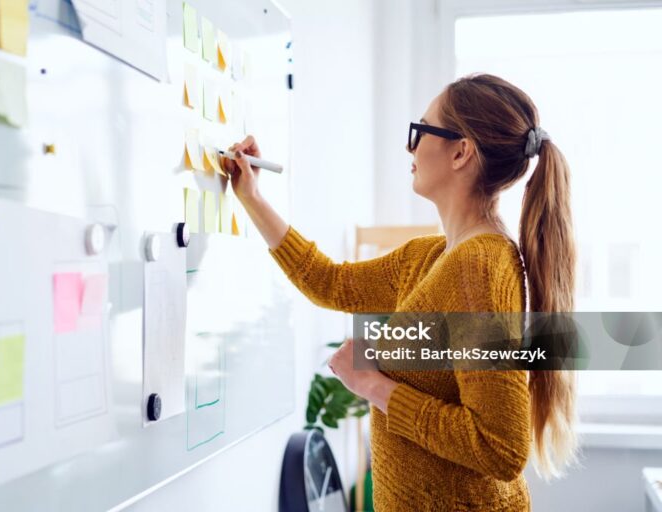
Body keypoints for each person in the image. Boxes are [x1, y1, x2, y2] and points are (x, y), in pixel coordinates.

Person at [222, 73, 578, 511]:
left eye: (421, 131)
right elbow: (329, 282)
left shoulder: (479, 268)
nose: (410, 147)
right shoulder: (433, 257)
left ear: (461, 151)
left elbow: (499, 447)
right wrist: (252, 197)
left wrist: (374, 387)